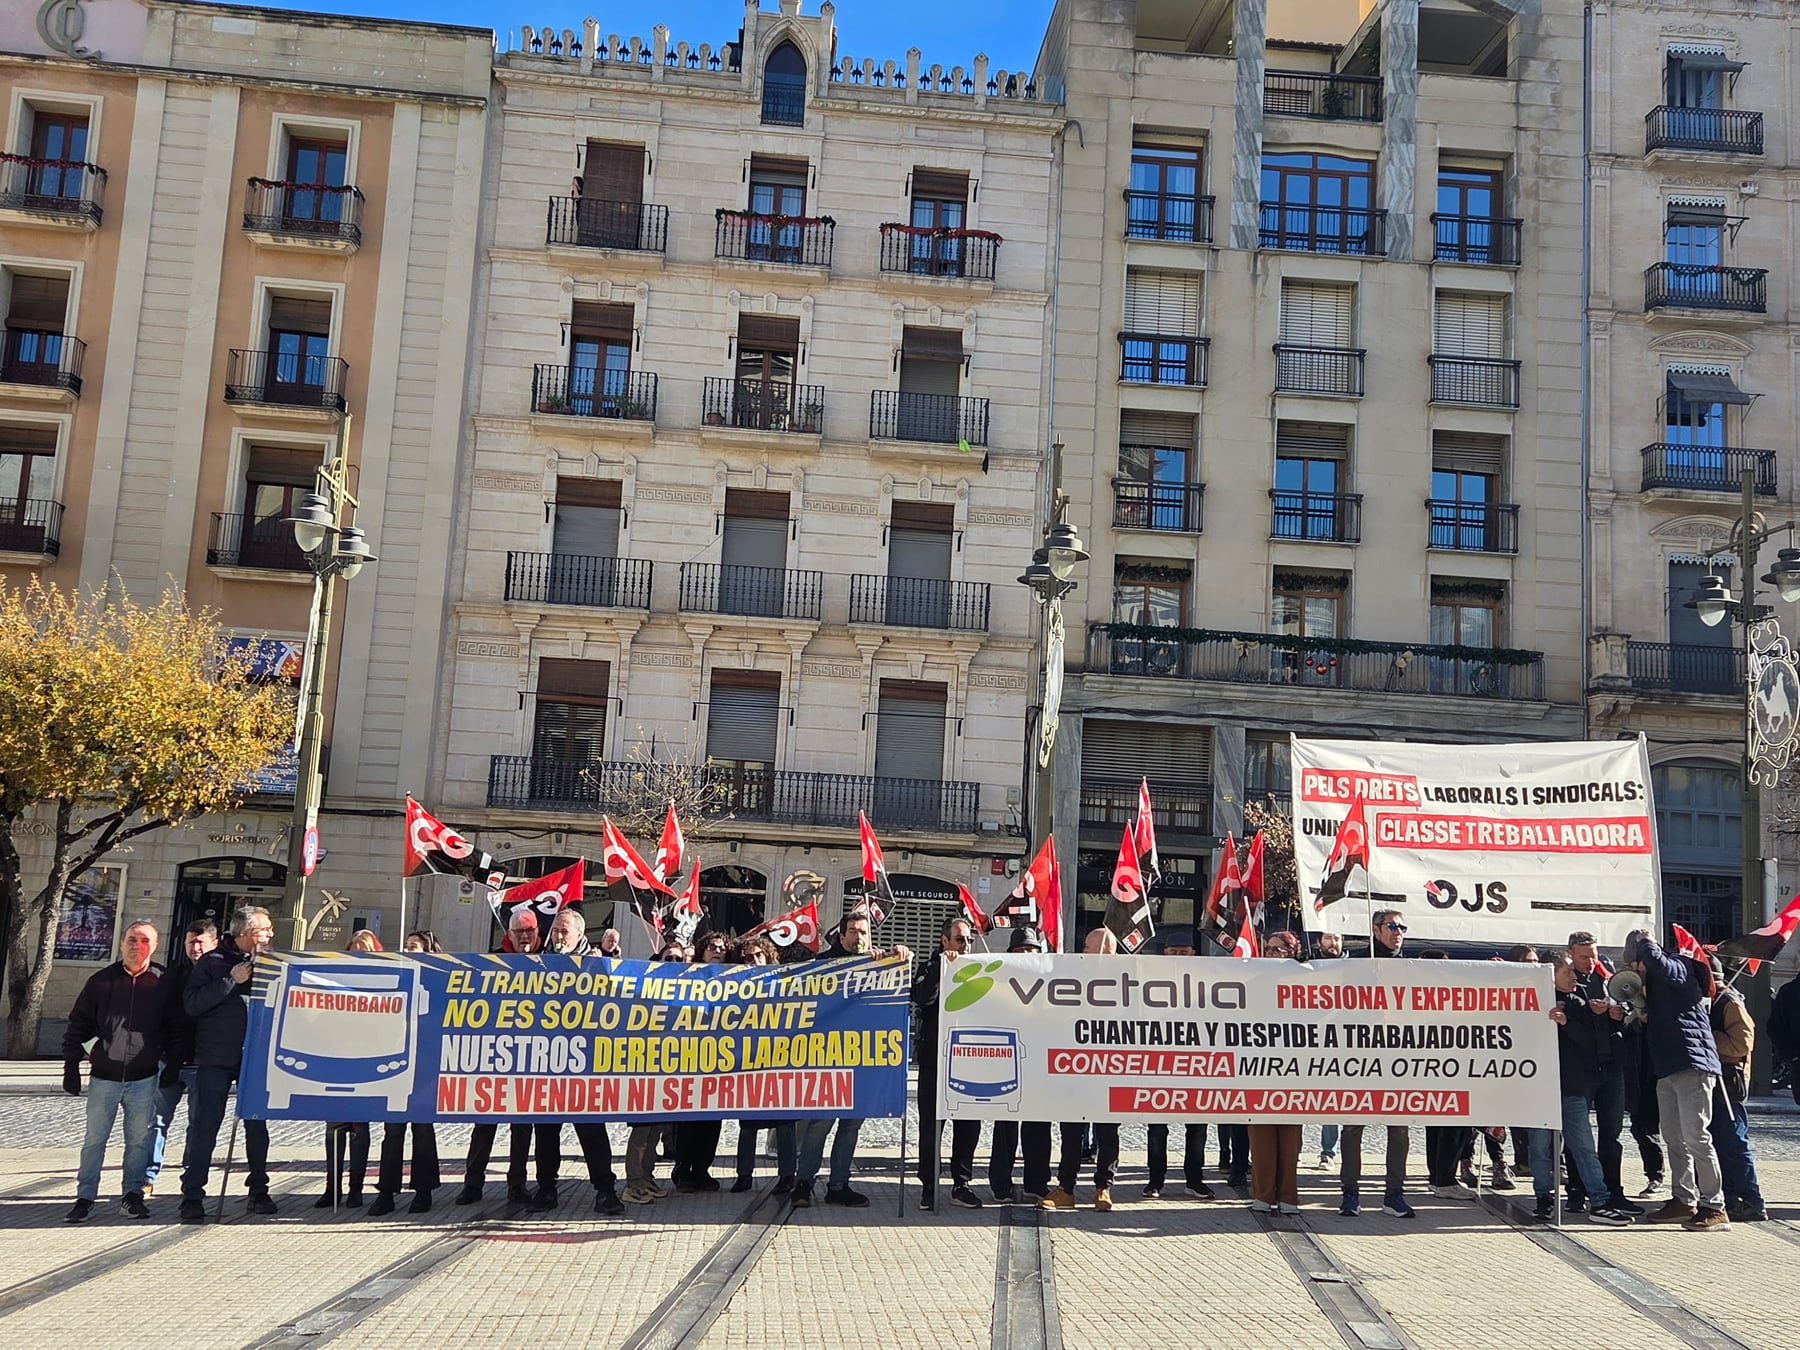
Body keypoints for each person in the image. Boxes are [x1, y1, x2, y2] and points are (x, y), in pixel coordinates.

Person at [791, 908, 910, 1209]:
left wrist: (899, 956)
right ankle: (803, 1183)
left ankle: (839, 1185)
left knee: (851, 1126)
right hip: (827, 1058)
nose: (859, 937)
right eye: (854, 932)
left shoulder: (877, 963)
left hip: (862, 1061)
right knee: (819, 1124)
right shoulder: (822, 964)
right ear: (842, 935)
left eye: (864, 932)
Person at [61, 921, 176, 1222]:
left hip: (145, 1076)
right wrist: (71, 1066)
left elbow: (177, 1027)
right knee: (94, 1140)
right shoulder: (101, 981)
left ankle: (132, 1195)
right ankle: (85, 1197)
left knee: (139, 1141)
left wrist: (172, 1063)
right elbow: (78, 1024)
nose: (136, 945)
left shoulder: (165, 982)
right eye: (131, 940)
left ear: (155, 944)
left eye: (144, 940)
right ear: (122, 943)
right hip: (104, 1077)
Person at [181, 907, 277, 1222]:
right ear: (246, 933)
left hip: (255, 1058)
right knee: (205, 1128)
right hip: (216, 1058)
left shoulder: (272, 964)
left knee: (257, 1127)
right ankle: (192, 1195)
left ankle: (259, 1190)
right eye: (265, 929)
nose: (270, 934)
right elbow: (193, 1005)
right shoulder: (212, 962)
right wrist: (231, 981)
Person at [1628, 929, 1728, 1231]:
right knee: (1673, 1137)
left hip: (1692, 1063)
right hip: (1668, 1066)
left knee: (1696, 1136)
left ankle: (1715, 1205)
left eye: (1637, 963)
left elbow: (1662, 966)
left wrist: (1645, 943)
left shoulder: (1679, 965)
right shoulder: (1657, 985)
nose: (1637, 970)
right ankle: (1683, 1200)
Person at [528, 909, 626, 1215]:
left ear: (580, 936)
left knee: (591, 1130)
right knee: (545, 1132)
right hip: (547, 1061)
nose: (558, 936)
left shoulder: (595, 964)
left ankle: (605, 1190)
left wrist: (609, 958)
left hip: (584, 1064)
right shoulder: (538, 964)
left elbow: (617, 994)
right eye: (555, 929)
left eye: (565, 931)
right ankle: (546, 1189)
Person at [459, 909, 545, 1206]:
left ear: (537, 933)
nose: (524, 936)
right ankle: (472, 1183)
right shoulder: (493, 961)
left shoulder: (549, 963)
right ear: (508, 934)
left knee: (522, 1128)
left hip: (530, 1058)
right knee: (484, 1124)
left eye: (529, 931)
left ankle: (517, 1184)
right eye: (519, 931)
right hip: (495, 1056)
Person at [1544, 952, 1634, 1226]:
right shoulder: (1540, 999)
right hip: (1542, 1085)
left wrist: (1609, 1015)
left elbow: (1589, 1038)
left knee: (1583, 1145)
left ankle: (1601, 1201)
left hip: (1573, 1085)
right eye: (1568, 971)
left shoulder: (1578, 999)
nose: (1575, 976)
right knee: (1540, 1148)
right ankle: (1543, 1200)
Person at [1339, 909, 1414, 1218]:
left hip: (1398, 1057)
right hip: (1361, 1055)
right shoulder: (1356, 960)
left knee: (1399, 1130)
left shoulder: (1412, 966)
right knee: (1353, 1126)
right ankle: (1350, 1194)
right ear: (1376, 929)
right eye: (1392, 926)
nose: (1398, 931)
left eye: (1402, 927)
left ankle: (1394, 1194)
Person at [1042, 928, 1123, 1212]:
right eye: (1088, 948)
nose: (1091, 953)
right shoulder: (1070, 975)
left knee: (1107, 1133)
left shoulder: (1126, 981)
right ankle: (1066, 1188)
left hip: (1109, 1070)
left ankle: (1103, 1188)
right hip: (1076, 1069)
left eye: (1100, 950)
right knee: (1071, 1132)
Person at [371, 930, 444, 1216]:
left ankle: (423, 1190)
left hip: (424, 1062)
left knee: (423, 1129)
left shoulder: (437, 978)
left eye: (413, 946)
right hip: (394, 1059)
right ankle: (386, 1191)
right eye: (405, 945)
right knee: (392, 1129)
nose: (406, 949)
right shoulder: (394, 975)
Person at [913, 916, 984, 1211]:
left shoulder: (980, 970)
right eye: (959, 940)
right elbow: (921, 997)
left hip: (969, 1063)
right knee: (931, 1127)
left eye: (968, 940)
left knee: (968, 1126)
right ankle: (929, 1185)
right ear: (945, 941)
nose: (965, 946)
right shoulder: (930, 967)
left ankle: (961, 1183)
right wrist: (943, 969)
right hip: (934, 1062)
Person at [1563, 931, 1636, 1213]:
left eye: (1593, 955)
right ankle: (1576, 1191)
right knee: (1577, 1136)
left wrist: (1619, 1013)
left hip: (1611, 1067)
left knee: (1612, 1134)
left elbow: (1629, 1006)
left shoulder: (1607, 978)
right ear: (1571, 954)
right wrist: (1589, 1013)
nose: (1590, 961)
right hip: (1580, 1069)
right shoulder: (1566, 980)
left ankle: (1614, 1191)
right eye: (1584, 956)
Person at [144, 919, 217, 1198]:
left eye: (200, 942)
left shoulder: (220, 976)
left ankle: (192, 1177)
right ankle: (146, 1177)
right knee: (156, 1120)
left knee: (198, 1125)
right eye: (191, 942)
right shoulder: (172, 977)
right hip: (170, 1060)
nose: (195, 947)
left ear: (214, 943)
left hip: (203, 1061)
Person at [1145, 928, 1213, 1200]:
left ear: (1193, 954)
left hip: (1196, 1065)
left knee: (1197, 1128)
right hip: (1159, 1064)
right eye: (1173, 953)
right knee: (1157, 1128)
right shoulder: (1149, 980)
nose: (1179, 957)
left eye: (1184, 953)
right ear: (1164, 954)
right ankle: (1154, 1181)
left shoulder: (1208, 982)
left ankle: (1194, 1180)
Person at [989, 925, 1054, 1203]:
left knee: (1039, 1125)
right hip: (1008, 1060)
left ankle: (1037, 1182)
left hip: (1040, 1061)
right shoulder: (999, 980)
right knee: (1005, 1127)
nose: (1027, 954)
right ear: (1011, 954)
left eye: (1031, 950)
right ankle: (1001, 1184)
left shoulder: (1052, 981)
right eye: (1021, 950)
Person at [316, 930, 381, 1209]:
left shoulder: (380, 981)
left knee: (358, 1128)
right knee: (333, 1128)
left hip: (366, 1061)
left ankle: (355, 1187)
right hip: (336, 1059)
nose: (358, 954)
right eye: (354, 948)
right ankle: (332, 1187)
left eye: (364, 949)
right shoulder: (335, 977)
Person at [729, 936, 797, 1195]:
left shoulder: (783, 982)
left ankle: (787, 1175)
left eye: (758, 955)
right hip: (749, 1063)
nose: (753, 960)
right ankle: (743, 1175)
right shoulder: (735, 986)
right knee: (747, 1125)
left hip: (779, 1063)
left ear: (769, 956)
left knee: (785, 1124)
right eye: (747, 957)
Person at [1706, 953, 1766, 1223]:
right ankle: (1728, 1197)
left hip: (1729, 1083)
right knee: (1717, 1142)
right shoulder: (1710, 1003)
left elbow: (1742, 1043)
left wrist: (1710, 1036)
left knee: (1734, 1143)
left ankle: (1751, 1200)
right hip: (1712, 1080)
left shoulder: (1729, 1002)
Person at [672, 929, 734, 1192]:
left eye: (721, 947)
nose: (717, 951)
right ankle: (682, 1169)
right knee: (689, 1121)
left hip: (721, 1061)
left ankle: (701, 1169)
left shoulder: (736, 977)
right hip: (691, 1059)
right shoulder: (687, 975)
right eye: (711, 947)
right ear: (702, 951)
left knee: (712, 1121)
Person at [1248, 931, 1304, 1214]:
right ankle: (1263, 1195)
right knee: (1261, 1135)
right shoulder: (1254, 980)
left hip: (1294, 1069)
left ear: (1292, 952)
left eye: (1277, 950)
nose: (1270, 953)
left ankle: (1288, 1197)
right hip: (1259, 1068)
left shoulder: (1305, 979)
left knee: (1290, 1138)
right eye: (1268, 949)